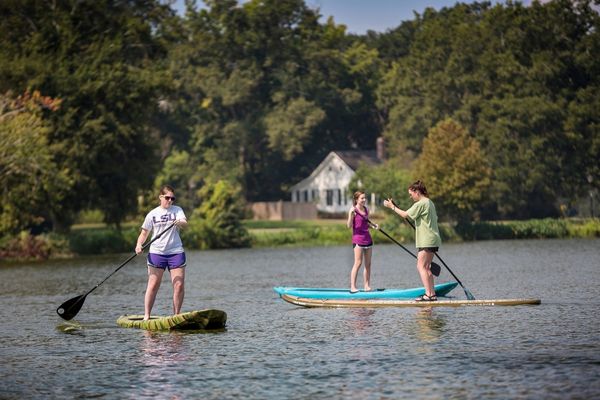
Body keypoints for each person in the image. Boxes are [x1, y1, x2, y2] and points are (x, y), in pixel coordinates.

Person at [383, 180, 441, 302]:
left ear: (417, 191)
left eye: (411, 194)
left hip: (426, 240)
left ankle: (428, 295)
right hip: (433, 239)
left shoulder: (421, 203)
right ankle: (432, 294)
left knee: (421, 266)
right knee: (426, 267)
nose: (410, 196)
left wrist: (392, 207)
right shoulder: (430, 202)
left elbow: (405, 215)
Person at [135, 185, 188, 320]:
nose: (170, 200)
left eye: (172, 198)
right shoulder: (152, 214)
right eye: (167, 198)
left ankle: (176, 316)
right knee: (153, 284)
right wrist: (139, 245)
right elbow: (144, 233)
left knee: (179, 284)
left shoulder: (177, 210)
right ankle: (147, 316)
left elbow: (185, 224)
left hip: (175, 251)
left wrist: (180, 222)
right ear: (161, 197)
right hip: (157, 253)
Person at [347, 191, 378, 293]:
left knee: (368, 264)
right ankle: (353, 287)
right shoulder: (353, 210)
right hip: (358, 240)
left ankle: (367, 286)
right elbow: (349, 225)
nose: (364, 200)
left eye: (365, 198)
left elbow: (366, 224)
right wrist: (351, 215)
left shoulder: (366, 209)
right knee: (358, 263)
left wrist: (374, 226)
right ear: (356, 199)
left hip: (368, 239)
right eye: (362, 198)